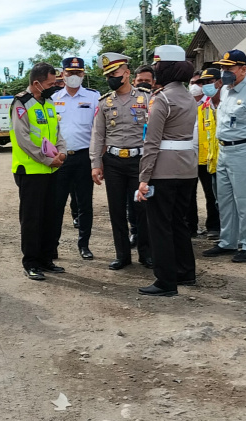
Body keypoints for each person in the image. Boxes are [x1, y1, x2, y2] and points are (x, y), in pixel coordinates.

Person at [135, 45, 198, 296]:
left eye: (158, 65)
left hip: (163, 169)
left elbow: (152, 142)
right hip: (187, 168)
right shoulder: (188, 96)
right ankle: (185, 272)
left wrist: (143, 178)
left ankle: (165, 281)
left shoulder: (162, 99)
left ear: (167, 68)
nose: (155, 70)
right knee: (179, 222)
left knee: (159, 225)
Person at [201, 50, 246, 263]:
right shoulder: (225, 90)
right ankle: (228, 241)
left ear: (243, 69)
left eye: (229, 68)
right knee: (224, 200)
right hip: (224, 150)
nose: (224, 72)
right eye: (223, 68)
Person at [90, 52, 152, 270]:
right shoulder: (104, 102)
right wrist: (96, 164)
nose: (111, 78)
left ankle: (146, 254)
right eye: (107, 75)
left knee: (142, 209)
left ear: (126, 73)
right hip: (114, 162)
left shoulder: (146, 98)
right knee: (116, 210)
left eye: (114, 73)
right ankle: (122, 255)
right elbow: (98, 135)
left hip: (139, 161)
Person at [10, 62, 67, 280]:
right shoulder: (21, 104)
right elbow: (22, 138)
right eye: (51, 83)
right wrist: (46, 159)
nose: (55, 87)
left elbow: (58, 132)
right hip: (31, 171)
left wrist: (62, 153)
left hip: (52, 170)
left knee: (51, 217)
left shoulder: (49, 103)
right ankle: (31, 262)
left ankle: (46, 259)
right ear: (37, 83)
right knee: (32, 219)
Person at [51, 56, 100, 261]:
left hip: (83, 157)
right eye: (69, 73)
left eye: (78, 73)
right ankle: (52, 246)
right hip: (60, 159)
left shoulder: (93, 97)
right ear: (62, 74)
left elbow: (99, 131)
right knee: (56, 204)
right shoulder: (52, 99)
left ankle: (84, 245)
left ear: (83, 74)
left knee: (84, 204)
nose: (73, 76)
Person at [190, 68, 222, 240]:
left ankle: (214, 227)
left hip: (207, 156)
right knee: (189, 193)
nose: (195, 86)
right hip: (189, 155)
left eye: (199, 83)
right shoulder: (186, 102)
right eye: (193, 83)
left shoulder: (210, 102)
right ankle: (191, 226)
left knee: (211, 194)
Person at [128, 65, 156, 246]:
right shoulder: (127, 101)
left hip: (155, 156)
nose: (144, 84)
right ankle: (135, 232)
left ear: (154, 82)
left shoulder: (160, 100)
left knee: (153, 199)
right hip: (134, 157)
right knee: (133, 200)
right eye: (140, 81)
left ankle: (151, 238)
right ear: (134, 82)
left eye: (147, 81)